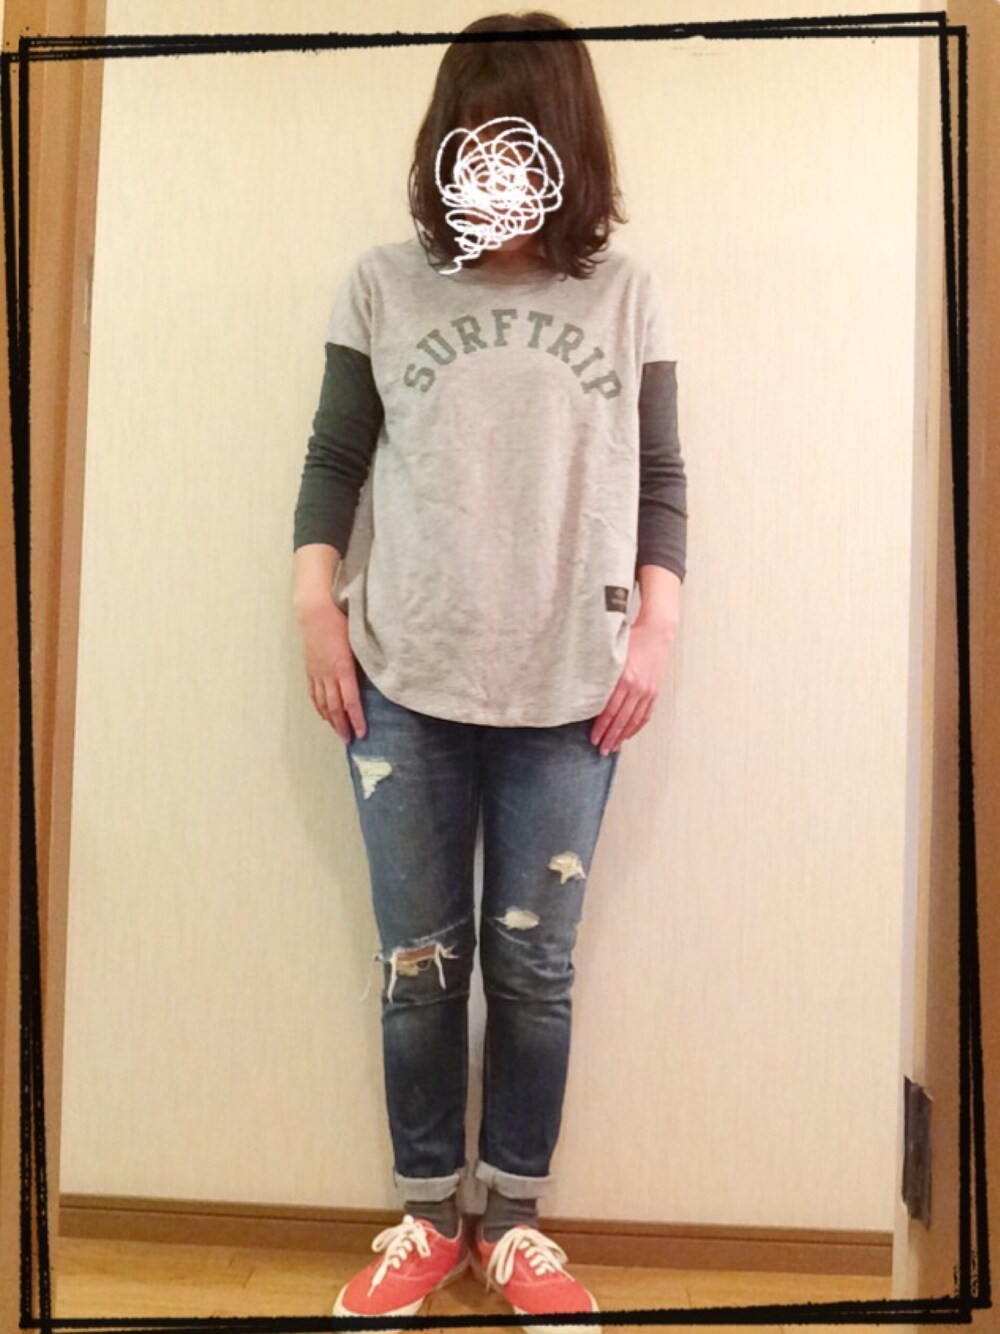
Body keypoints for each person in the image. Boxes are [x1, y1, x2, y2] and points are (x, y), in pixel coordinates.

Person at [291, 11, 688, 1331]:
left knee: (532, 973)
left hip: (571, 692)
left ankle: (512, 1220)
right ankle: (428, 1213)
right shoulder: (381, 284)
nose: (502, 169)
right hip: (402, 678)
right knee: (419, 962)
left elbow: (663, 479)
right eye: (476, 141)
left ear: (569, 147)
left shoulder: (624, 295)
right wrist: (313, 603)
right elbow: (336, 458)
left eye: (526, 142)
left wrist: (658, 629)